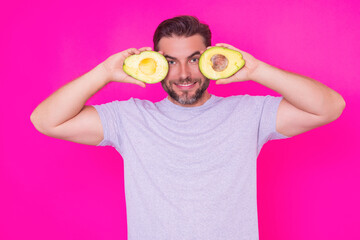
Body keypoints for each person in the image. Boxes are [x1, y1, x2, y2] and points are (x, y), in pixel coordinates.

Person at [30, 15, 345, 240]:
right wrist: (104, 72)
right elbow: (45, 120)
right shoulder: (130, 118)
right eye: (170, 61)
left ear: (210, 57)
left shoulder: (249, 112)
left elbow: (331, 106)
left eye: (194, 59)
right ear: (155, 63)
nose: (183, 74)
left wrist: (257, 70)